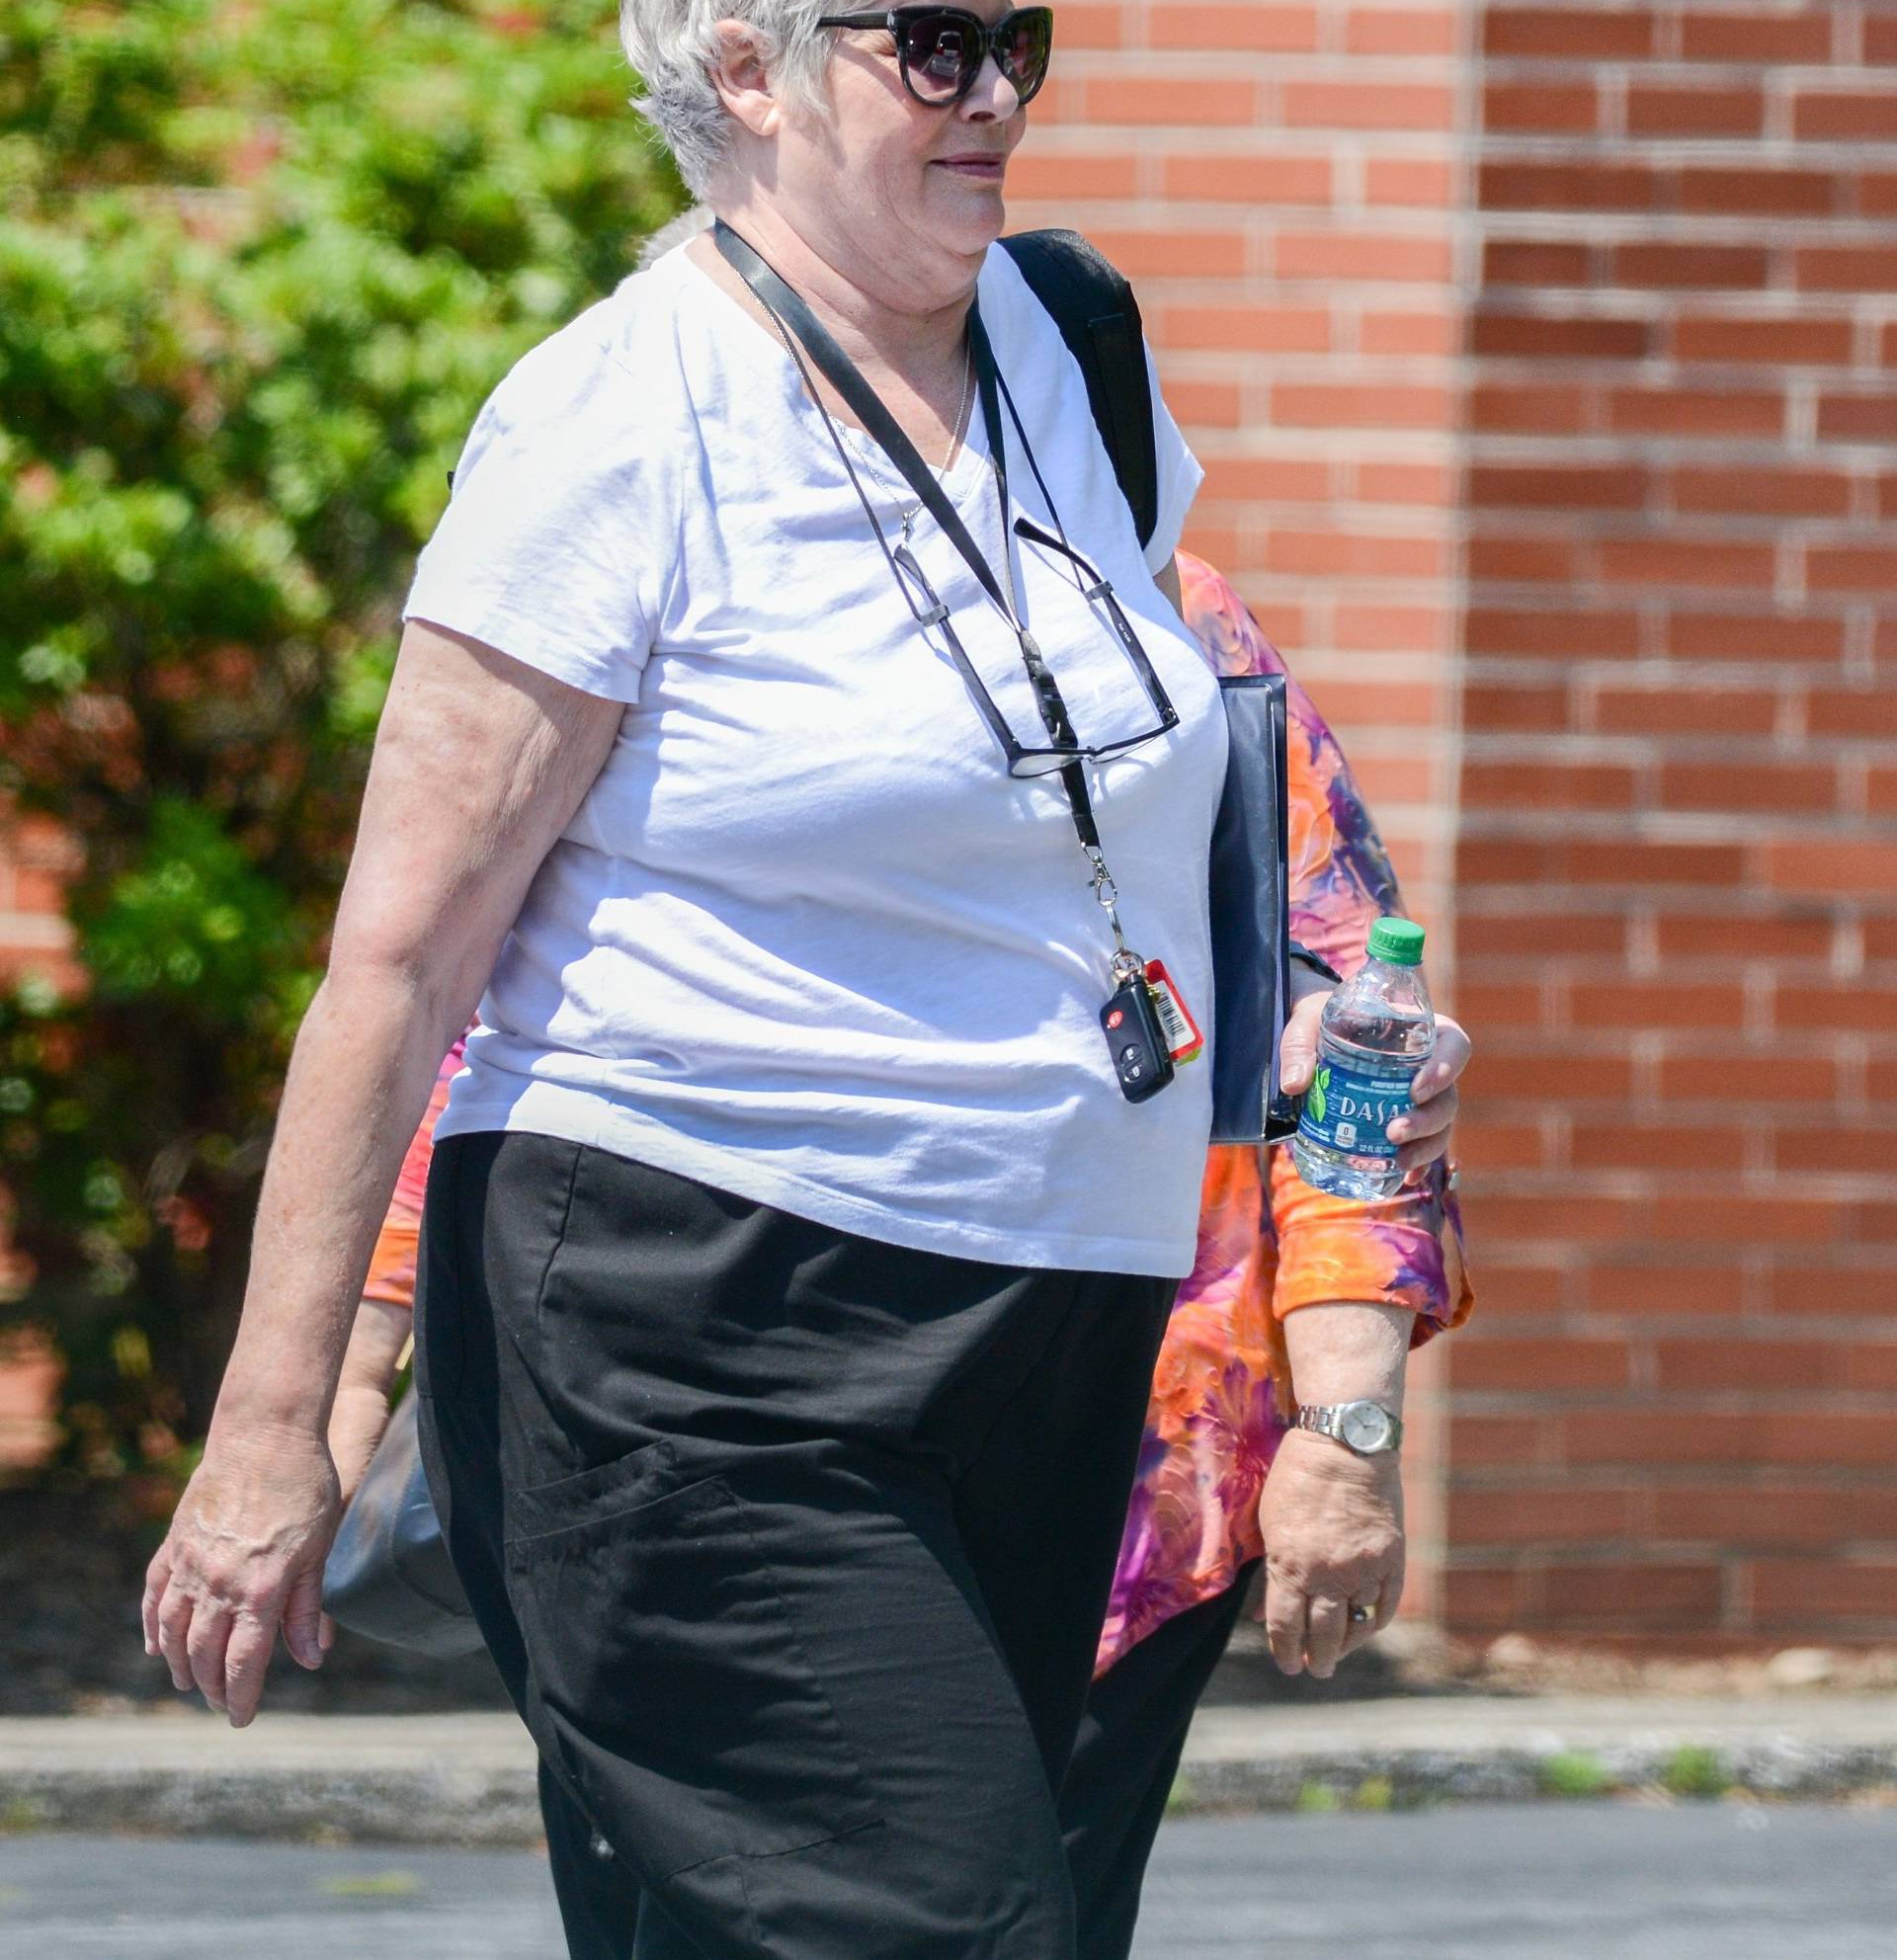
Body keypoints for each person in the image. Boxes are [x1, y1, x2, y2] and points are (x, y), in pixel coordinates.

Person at [144, 0, 1468, 1960]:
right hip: (695, 1325)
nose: (998, 96)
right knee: (952, 1928)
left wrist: (1303, 1032)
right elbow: (396, 966)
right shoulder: (613, 423)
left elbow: (1081, 822)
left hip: (1054, 1323)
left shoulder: (1072, 355)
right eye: (928, 48)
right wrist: (277, 1426)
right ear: (744, 74)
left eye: (1016, 39)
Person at [331, 548, 1471, 1960]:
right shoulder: (694, 576)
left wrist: (1348, 1430)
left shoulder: (1170, 625)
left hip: (1123, 1453)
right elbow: (503, 1019)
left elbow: (1356, 1025)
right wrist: (343, 1372)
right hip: (685, 1400)